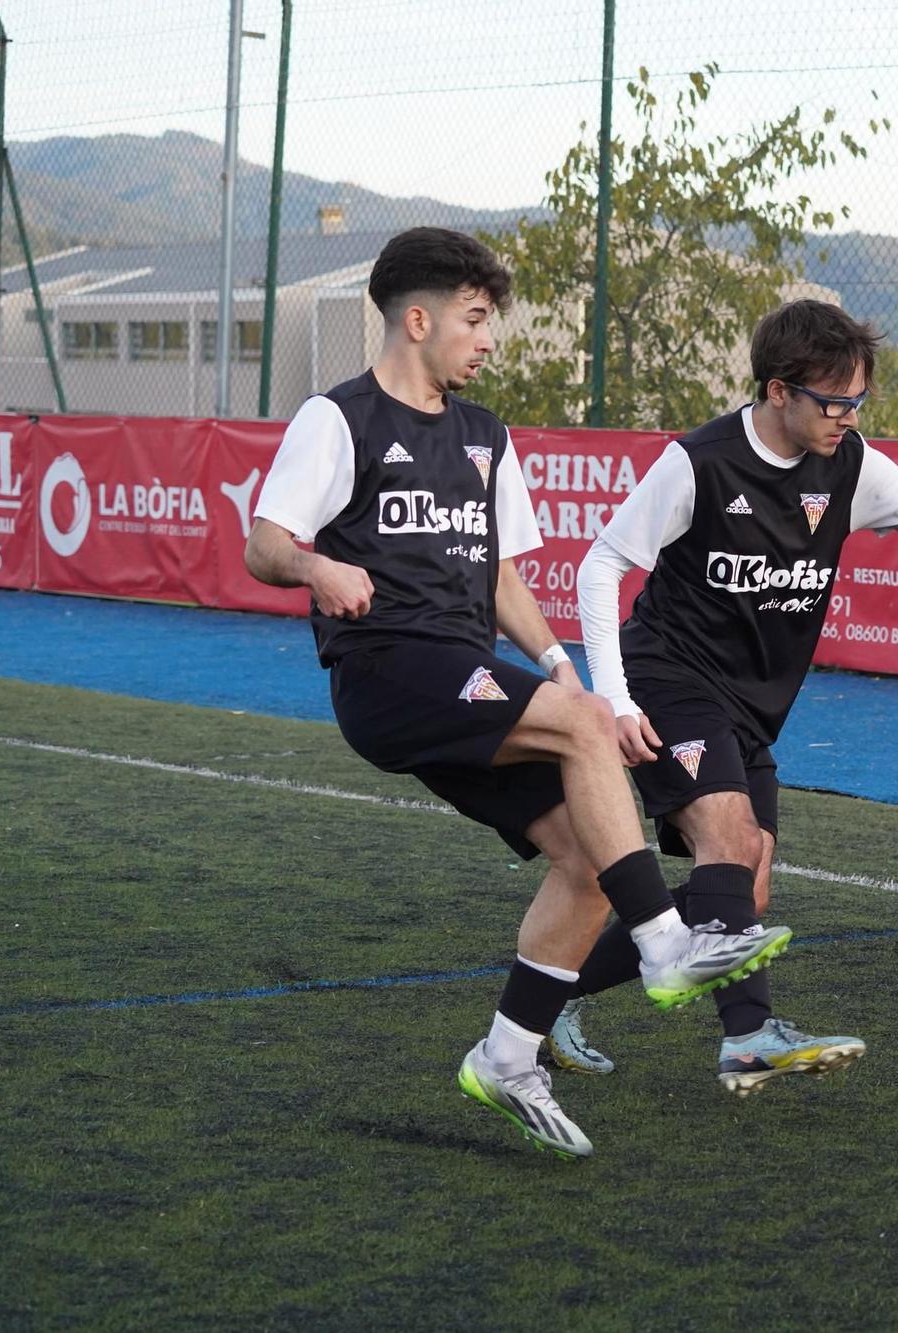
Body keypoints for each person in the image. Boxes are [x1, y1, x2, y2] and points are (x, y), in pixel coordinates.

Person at [243, 227, 792, 1158]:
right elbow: (263, 543)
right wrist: (316, 566)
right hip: (387, 670)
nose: (489, 336)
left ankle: (507, 1053)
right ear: (417, 320)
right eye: (475, 317)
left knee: (583, 853)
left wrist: (562, 659)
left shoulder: (486, 437)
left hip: (465, 676)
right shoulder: (337, 420)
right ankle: (664, 942)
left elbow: (501, 580)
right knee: (588, 739)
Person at [547, 298, 898, 1095]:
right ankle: (747, 1038)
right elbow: (602, 564)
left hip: (752, 703)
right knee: (728, 835)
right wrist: (612, 696)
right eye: (834, 401)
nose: (848, 417)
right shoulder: (701, 462)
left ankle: (552, 994)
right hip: (667, 677)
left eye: (859, 402)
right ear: (778, 391)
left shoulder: (853, 466)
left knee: (744, 880)